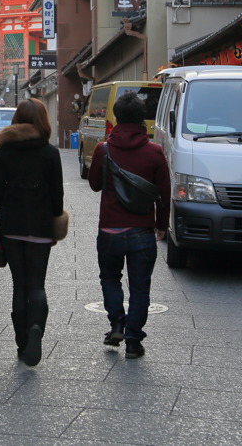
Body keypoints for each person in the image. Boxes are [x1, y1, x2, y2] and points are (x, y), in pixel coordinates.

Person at [87, 91, 170, 359]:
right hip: (142, 232)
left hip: (110, 229)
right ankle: (134, 341)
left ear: (117, 117)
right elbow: (164, 193)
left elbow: (94, 185)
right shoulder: (155, 152)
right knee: (140, 287)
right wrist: (161, 225)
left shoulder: (104, 149)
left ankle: (117, 324)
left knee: (110, 277)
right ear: (141, 118)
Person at [0, 98, 66, 366]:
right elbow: (58, 198)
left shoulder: (6, 152)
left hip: (11, 227)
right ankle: (36, 328)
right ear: (43, 121)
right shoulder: (50, 152)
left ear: (17, 120)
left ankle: (22, 342)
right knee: (37, 284)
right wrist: (55, 225)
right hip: (42, 227)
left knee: (18, 284)